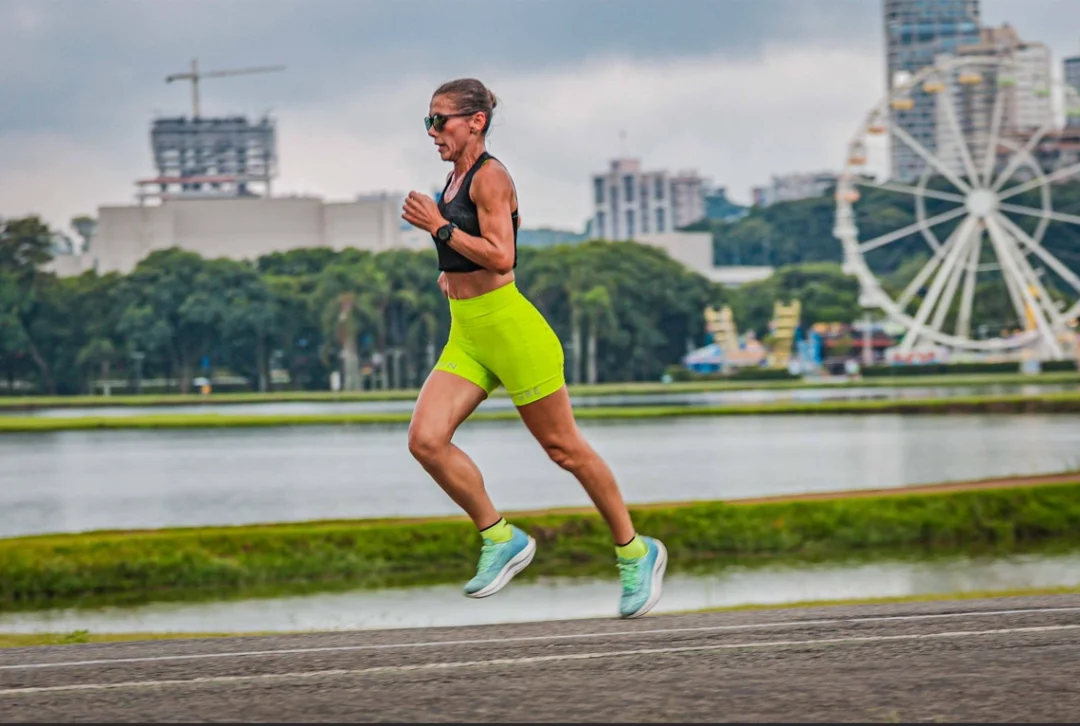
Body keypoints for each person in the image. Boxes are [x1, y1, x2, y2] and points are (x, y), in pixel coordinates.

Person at [400, 78, 666, 619]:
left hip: (513, 331)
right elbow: (471, 258)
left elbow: (502, 256)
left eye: (441, 120)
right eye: (427, 121)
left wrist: (439, 228)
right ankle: (501, 538)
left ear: (475, 121)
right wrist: (450, 274)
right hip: (468, 334)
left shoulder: (490, 177)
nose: (432, 131)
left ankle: (637, 552)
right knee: (426, 441)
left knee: (564, 449)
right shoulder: (451, 182)